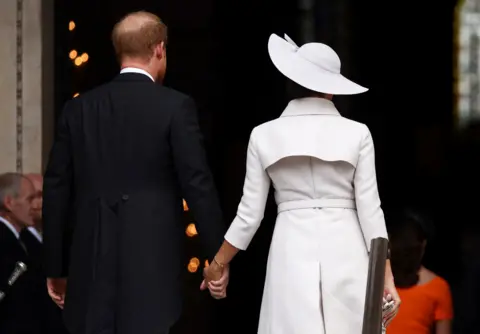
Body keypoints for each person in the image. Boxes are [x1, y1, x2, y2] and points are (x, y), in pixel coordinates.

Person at [201, 34, 400, 333]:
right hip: (346, 247)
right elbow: (371, 211)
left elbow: (249, 216)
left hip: (290, 248)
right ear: (332, 90)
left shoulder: (263, 135)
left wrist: (218, 264)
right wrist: (387, 278)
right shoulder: (358, 133)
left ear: (293, 81)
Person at [43, 11, 227, 334]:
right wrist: (217, 258)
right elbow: (197, 185)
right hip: (153, 263)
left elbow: (57, 190)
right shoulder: (175, 106)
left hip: (90, 263)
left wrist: (55, 267)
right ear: (159, 49)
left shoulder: (79, 109)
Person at [387, 210, 453, 334]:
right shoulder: (375, 282)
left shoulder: (438, 288)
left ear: (422, 246)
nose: (404, 254)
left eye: (410, 249)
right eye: (400, 242)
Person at [0, 172, 40, 334]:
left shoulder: (24, 238)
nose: (35, 206)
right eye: (29, 199)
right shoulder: (3, 241)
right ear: (9, 202)